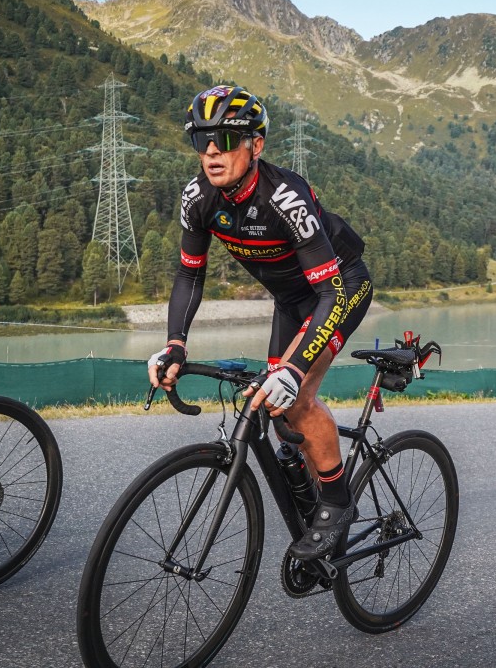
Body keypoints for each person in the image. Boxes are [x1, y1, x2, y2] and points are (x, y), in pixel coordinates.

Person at [149, 85, 372, 561]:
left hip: (340, 289)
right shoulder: (198, 199)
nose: (212, 150)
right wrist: (175, 344)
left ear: (257, 145)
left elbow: (330, 292)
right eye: (201, 139)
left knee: (297, 396)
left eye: (226, 139)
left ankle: (336, 503)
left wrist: (293, 372)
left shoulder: (285, 198)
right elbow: (190, 274)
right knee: (276, 407)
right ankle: (306, 476)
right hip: (291, 300)